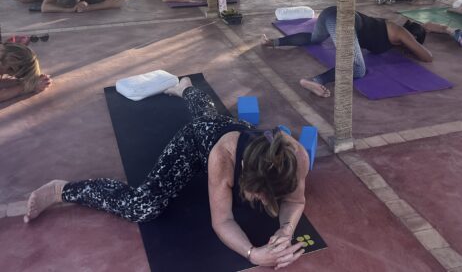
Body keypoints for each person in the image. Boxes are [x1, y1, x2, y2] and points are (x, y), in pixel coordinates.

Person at [24, 77, 308, 269]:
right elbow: (222, 221)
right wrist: (253, 254)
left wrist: (286, 230)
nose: (259, 200)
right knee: (143, 206)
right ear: (244, 172)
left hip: (224, 127)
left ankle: (186, 88)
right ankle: (61, 189)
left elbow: (295, 200)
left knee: (212, 118)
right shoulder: (223, 160)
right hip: (197, 143)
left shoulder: (295, 157)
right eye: (256, 193)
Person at [262, 6, 432, 97]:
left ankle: (272, 42)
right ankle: (315, 80)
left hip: (331, 13)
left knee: (315, 38)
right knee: (358, 69)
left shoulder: (392, 29)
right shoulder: (401, 33)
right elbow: (427, 57)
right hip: (342, 21)